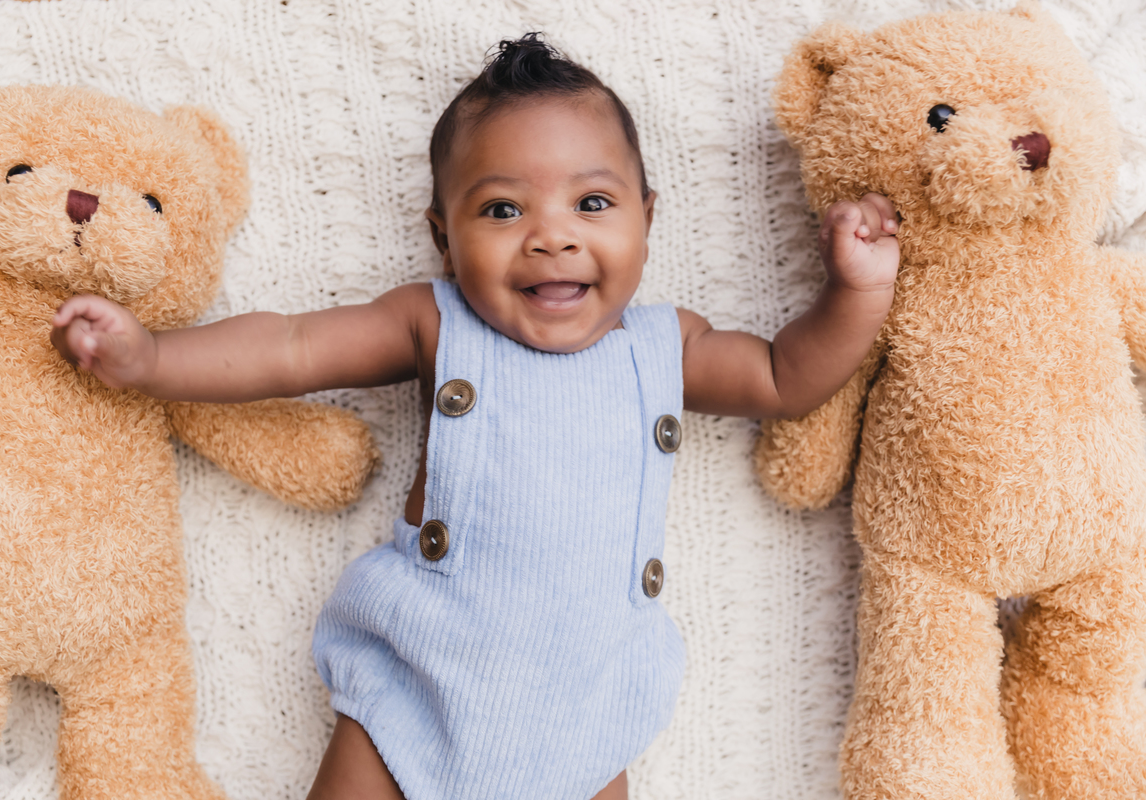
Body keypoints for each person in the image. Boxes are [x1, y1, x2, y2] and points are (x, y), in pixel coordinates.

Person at [51, 33, 898, 800]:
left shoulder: (665, 345)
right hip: (419, 676)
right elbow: (292, 347)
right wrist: (151, 358)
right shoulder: (437, 322)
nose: (551, 237)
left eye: (592, 204)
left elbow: (786, 377)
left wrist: (855, 291)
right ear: (444, 239)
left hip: (586, 700)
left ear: (647, 217)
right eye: (502, 210)